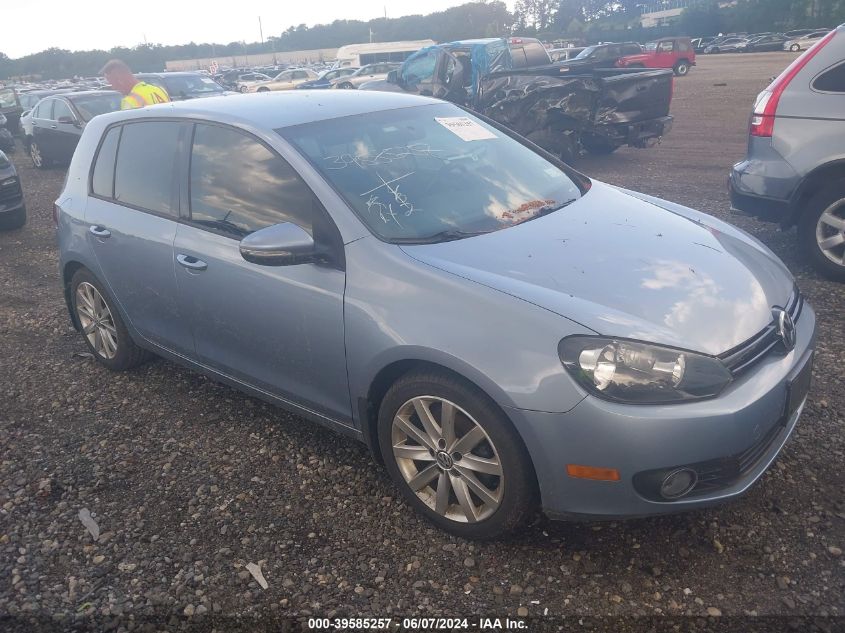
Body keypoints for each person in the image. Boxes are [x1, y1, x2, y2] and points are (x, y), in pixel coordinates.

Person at [101, 59, 170, 110]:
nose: (113, 88)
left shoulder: (129, 101)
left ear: (120, 80)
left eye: (112, 83)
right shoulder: (159, 90)